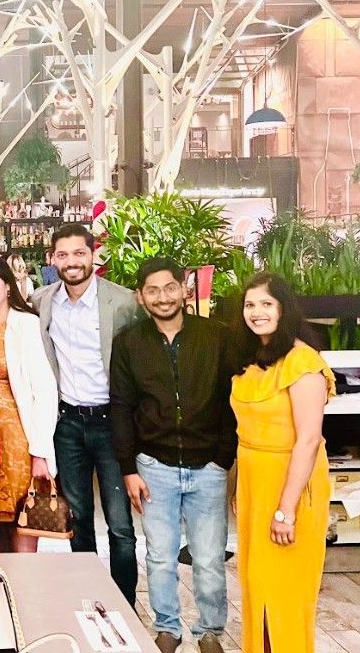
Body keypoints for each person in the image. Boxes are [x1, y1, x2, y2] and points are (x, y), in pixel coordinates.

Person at [110, 257, 236, 653]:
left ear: (184, 288)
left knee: (209, 557)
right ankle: (167, 627)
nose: (162, 297)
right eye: (152, 290)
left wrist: (223, 456)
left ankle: (211, 631)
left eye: (169, 287)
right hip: (154, 465)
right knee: (161, 556)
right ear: (140, 296)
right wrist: (128, 467)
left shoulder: (217, 336)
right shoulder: (129, 342)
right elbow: (121, 406)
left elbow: (232, 400)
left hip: (208, 466)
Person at [32, 223, 141, 605]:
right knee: (77, 521)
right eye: (62, 255)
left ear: (93, 255)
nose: (71, 262)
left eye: (79, 253)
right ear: (51, 260)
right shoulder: (42, 301)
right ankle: (91, 602)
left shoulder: (123, 302)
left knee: (121, 524)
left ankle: (125, 606)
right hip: (67, 424)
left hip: (111, 423)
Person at [231, 273, 334, 653]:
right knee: (256, 584)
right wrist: (238, 485)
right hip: (255, 486)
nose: (257, 312)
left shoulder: (303, 362)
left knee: (285, 592)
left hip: (291, 486)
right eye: (250, 304)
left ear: (284, 308)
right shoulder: (251, 361)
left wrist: (286, 511)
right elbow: (247, 431)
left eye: (266, 304)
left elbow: (308, 440)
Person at [0, 256, 58, 552]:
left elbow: (44, 389)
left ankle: (24, 592)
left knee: (23, 515)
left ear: (8, 285)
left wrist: (41, 452)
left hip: (17, 435)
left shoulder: (25, 323)